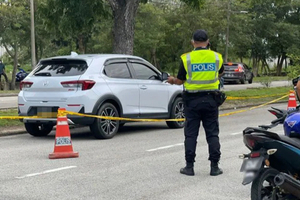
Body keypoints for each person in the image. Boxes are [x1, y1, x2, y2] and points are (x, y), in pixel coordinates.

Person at [167, 29, 224, 176]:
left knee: (191, 134)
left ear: (193, 42)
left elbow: (180, 80)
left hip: (192, 101)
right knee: (212, 134)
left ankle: (189, 167)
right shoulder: (217, 57)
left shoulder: (187, 58)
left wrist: (172, 80)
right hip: (211, 100)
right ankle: (214, 167)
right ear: (208, 41)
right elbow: (220, 72)